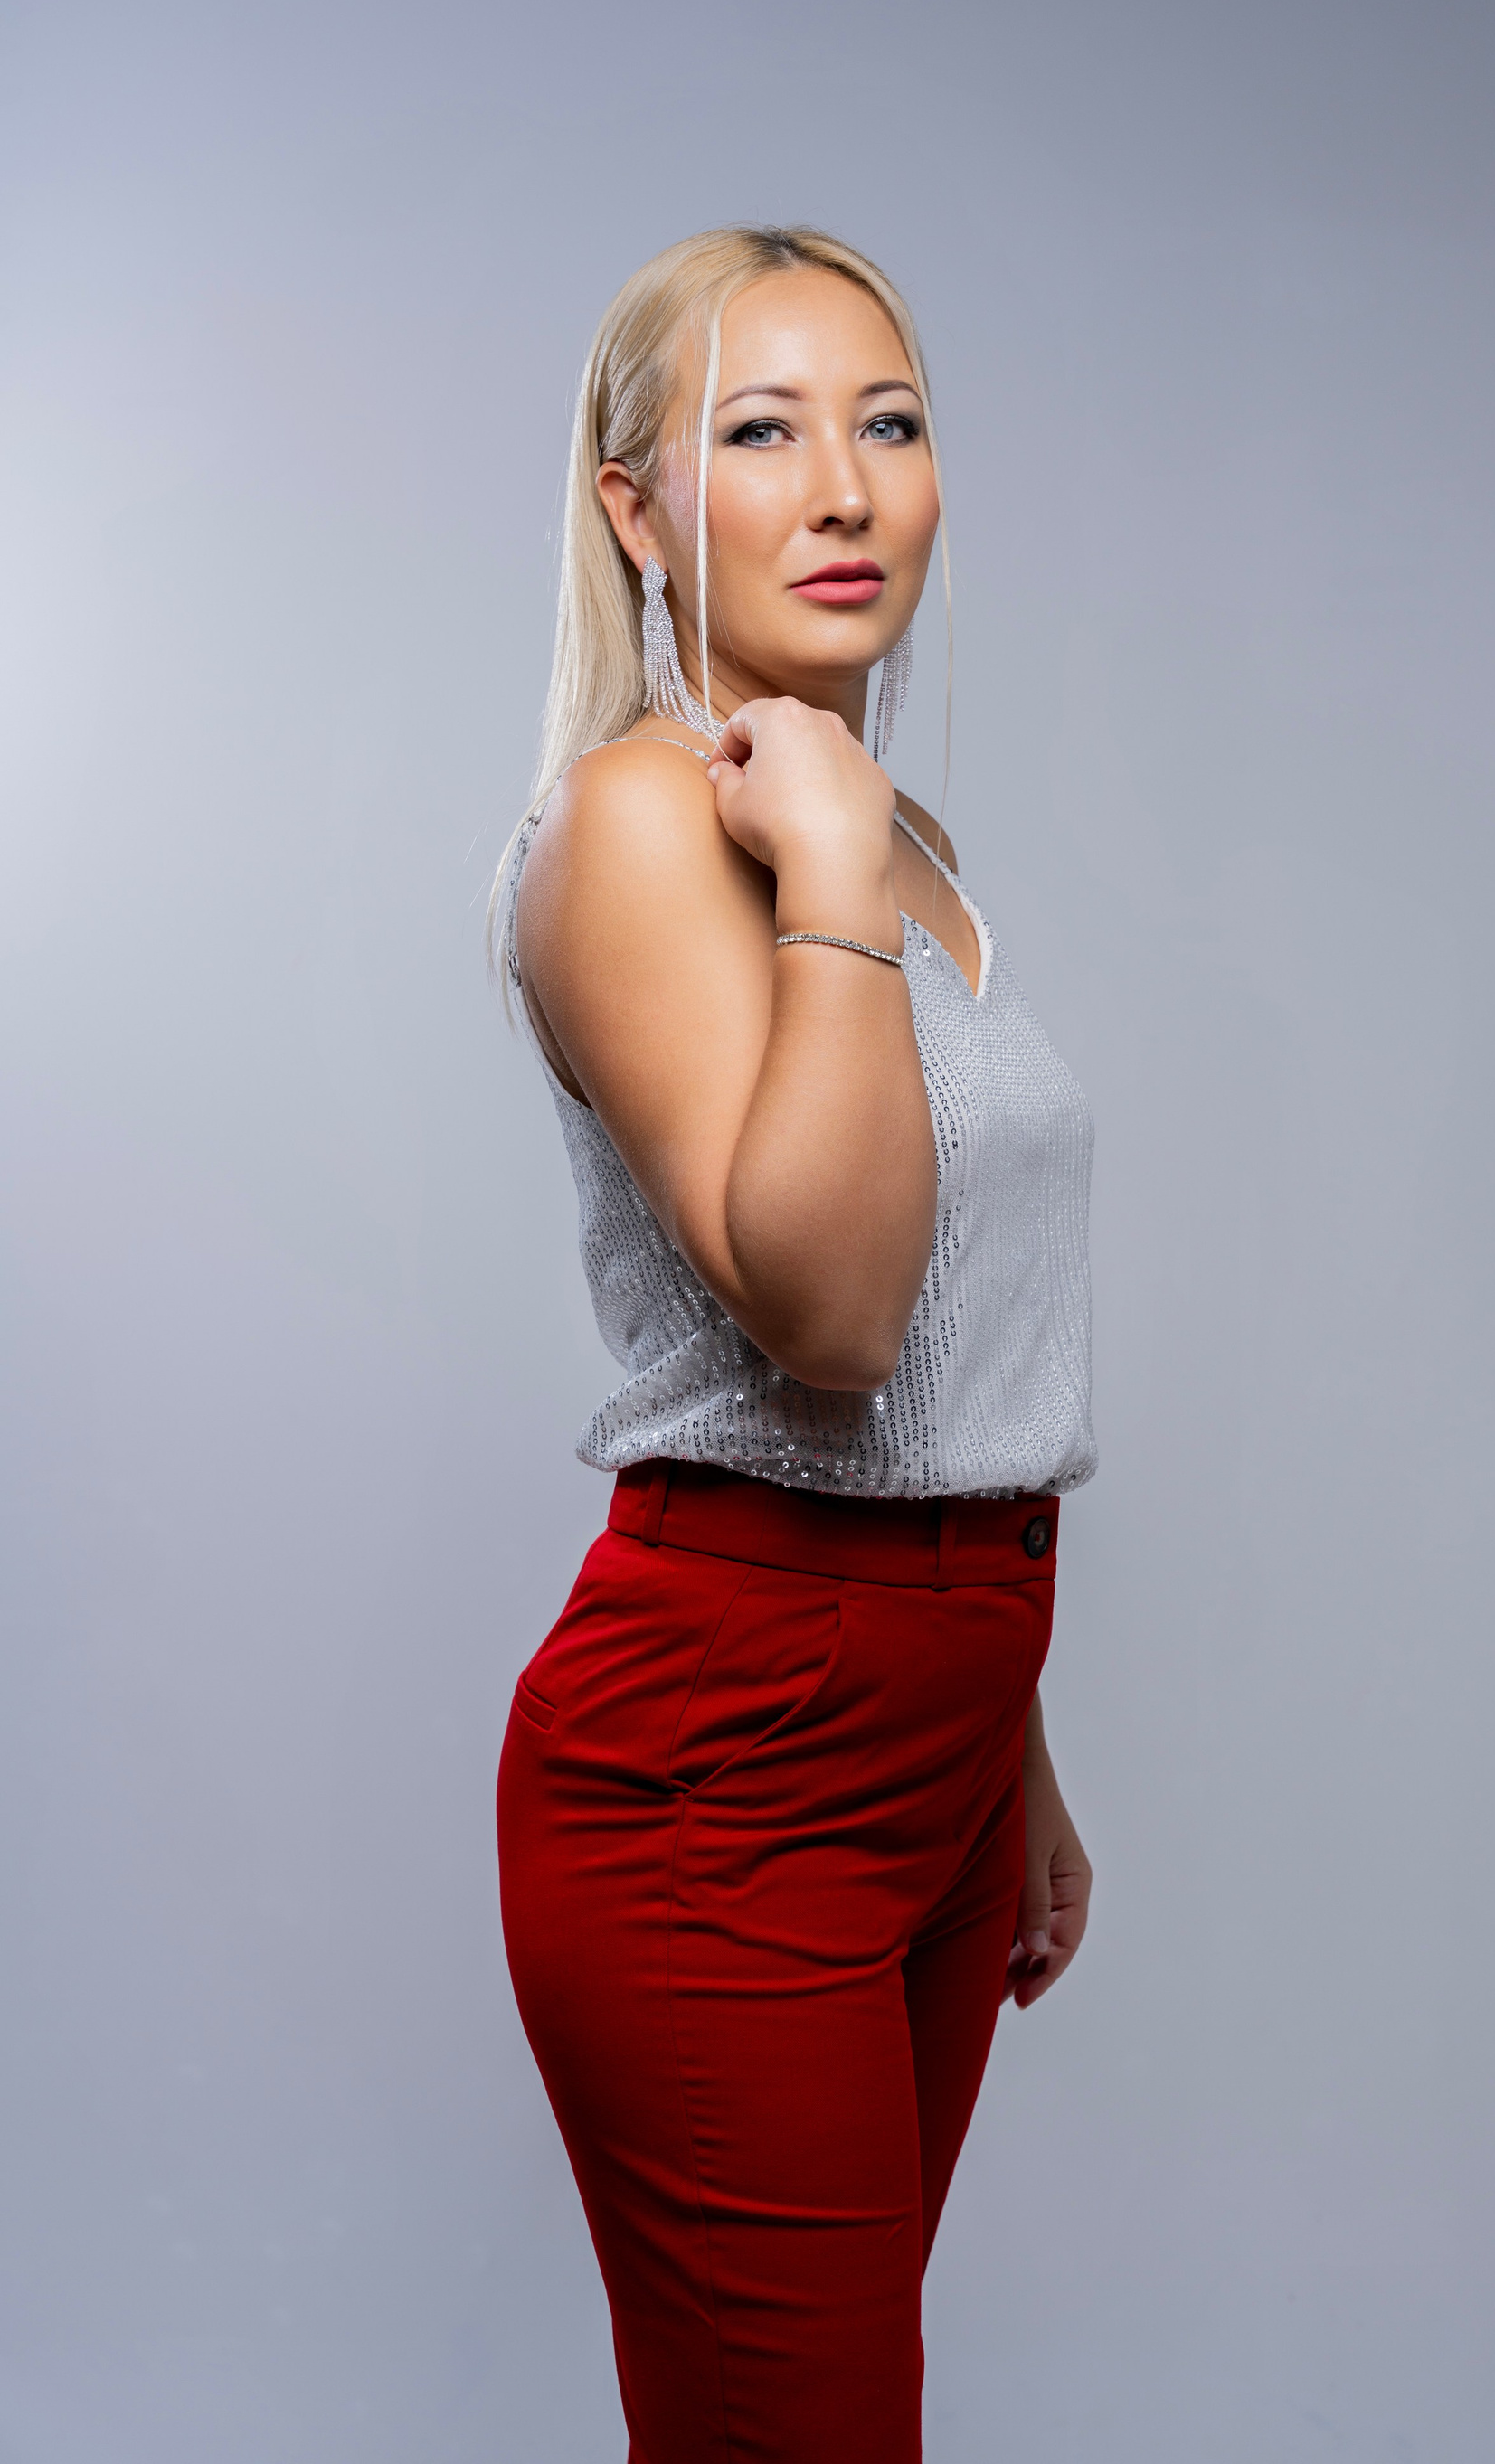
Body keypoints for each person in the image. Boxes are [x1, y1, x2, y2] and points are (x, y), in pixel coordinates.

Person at [492, 224, 1096, 2463]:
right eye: (761, 430)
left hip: (937, 1741)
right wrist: (828, 867)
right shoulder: (649, 821)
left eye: (890, 423)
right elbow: (833, 1323)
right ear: (641, 511)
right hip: (726, 1770)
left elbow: (961, 1355)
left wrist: (1012, 1756)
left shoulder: (895, 838)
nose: (843, 487)